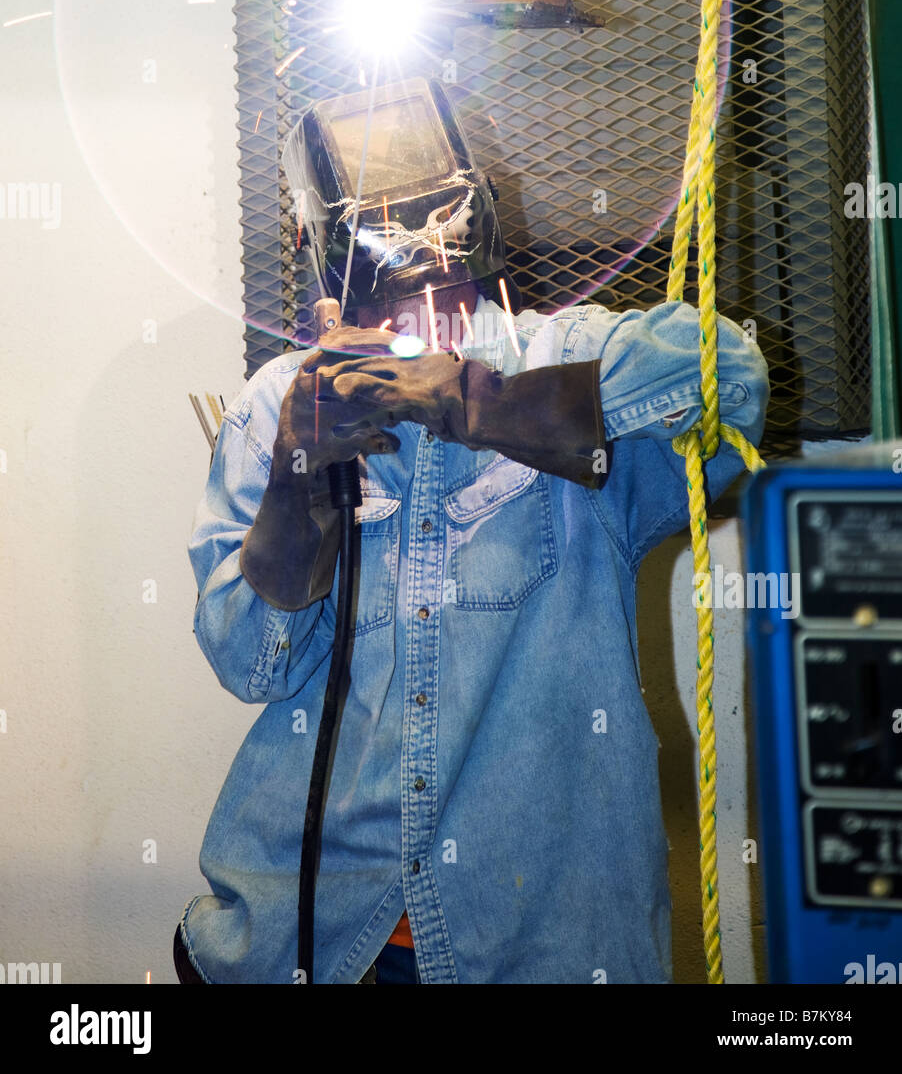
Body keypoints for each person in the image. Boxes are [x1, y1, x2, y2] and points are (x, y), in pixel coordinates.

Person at [174, 80, 769, 984]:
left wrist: (468, 397)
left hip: (538, 947)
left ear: (473, 203)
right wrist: (303, 470)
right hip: (322, 939)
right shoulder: (276, 406)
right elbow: (250, 663)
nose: (411, 240)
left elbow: (731, 382)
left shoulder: (565, 353)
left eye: (428, 207)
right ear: (319, 245)